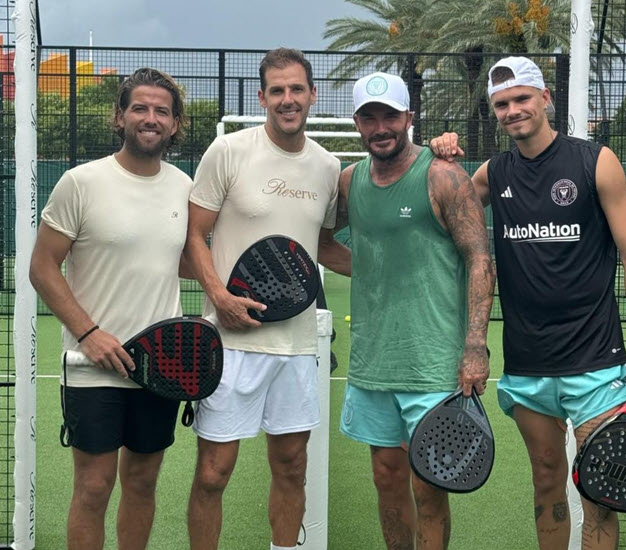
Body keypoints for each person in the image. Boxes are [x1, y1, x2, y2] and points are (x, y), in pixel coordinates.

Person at [432, 56, 626, 550]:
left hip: (597, 362)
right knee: (546, 483)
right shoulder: (493, 173)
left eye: (521, 99)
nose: (513, 110)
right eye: (502, 104)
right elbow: (447, 210)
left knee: (601, 492)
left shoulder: (594, 161)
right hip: (528, 365)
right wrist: (442, 158)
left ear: (545, 99)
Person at [184, 48, 350, 550]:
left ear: (312, 95)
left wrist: (390, 271)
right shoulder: (229, 151)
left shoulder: (327, 165)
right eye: (276, 90)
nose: (287, 99)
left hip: (298, 348)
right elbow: (195, 235)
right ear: (261, 97)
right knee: (213, 472)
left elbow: (319, 246)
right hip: (232, 343)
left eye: (296, 89)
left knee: (292, 467)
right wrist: (219, 298)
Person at [29, 68, 192, 550]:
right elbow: (42, 267)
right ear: (119, 117)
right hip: (92, 364)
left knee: (142, 484)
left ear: (175, 124)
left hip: (159, 366)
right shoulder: (81, 183)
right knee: (94, 487)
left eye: (162, 111)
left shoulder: (185, 187)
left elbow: (184, 261)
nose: (151, 118)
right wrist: (88, 333)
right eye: (140, 108)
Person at [335, 72, 496, 550]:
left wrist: (475, 347)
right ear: (357, 124)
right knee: (386, 478)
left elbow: (480, 259)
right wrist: (368, 267)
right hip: (372, 363)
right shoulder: (349, 181)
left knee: (429, 485)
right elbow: (322, 239)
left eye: (390, 116)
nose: (380, 127)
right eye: (369, 118)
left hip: (432, 362)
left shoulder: (443, 175)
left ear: (409, 118)